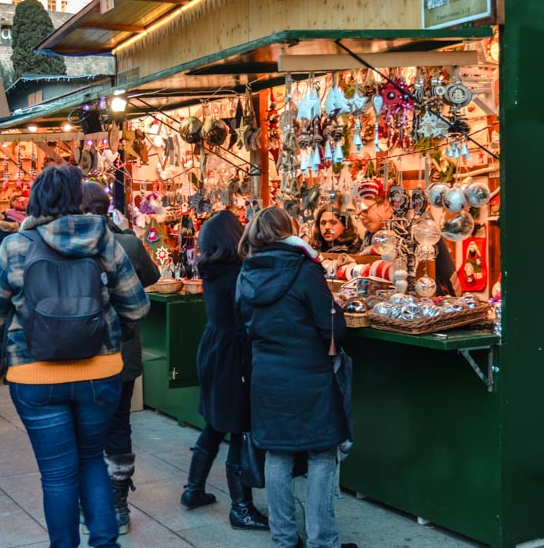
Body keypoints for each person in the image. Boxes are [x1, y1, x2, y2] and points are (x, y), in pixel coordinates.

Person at [0, 164, 150, 548]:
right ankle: (105, 542)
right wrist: (109, 330)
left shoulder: (15, 247)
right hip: (100, 370)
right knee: (92, 461)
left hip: (34, 377)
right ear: (76, 200)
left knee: (57, 474)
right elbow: (137, 308)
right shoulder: (103, 239)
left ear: (34, 200)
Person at [236, 207, 356, 548]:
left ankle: (284, 538)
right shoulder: (305, 268)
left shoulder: (247, 272)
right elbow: (331, 327)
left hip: (267, 376)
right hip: (309, 377)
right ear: (288, 231)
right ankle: (323, 540)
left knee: (277, 454)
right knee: (320, 454)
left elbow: (241, 325)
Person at [180, 209, 270, 531]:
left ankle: (193, 489)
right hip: (234, 354)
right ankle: (241, 507)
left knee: (216, 423)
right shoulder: (239, 272)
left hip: (214, 348)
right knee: (238, 427)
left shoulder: (211, 269)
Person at [80, 181, 160, 535]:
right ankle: (117, 506)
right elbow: (152, 278)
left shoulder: (71, 245)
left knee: (86, 429)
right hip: (123, 349)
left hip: (82, 352)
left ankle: (92, 506)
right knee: (118, 425)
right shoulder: (126, 242)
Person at [357, 196, 458, 296]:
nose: (361, 217)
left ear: (386, 205)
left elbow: (445, 265)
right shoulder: (370, 235)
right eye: (358, 214)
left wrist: (455, 296)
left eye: (365, 211)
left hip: (421, 296)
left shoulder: (414, 222)